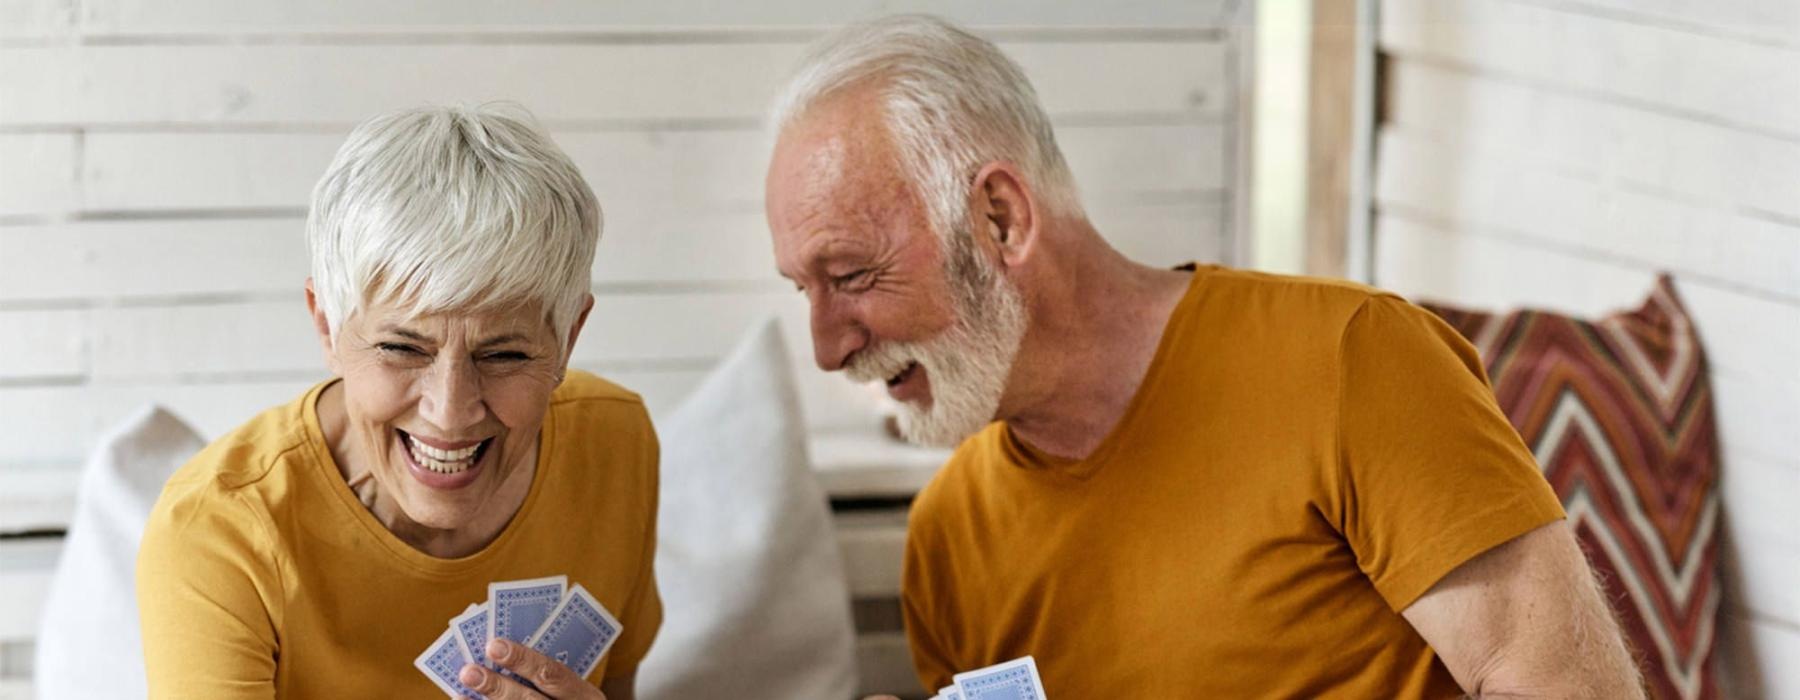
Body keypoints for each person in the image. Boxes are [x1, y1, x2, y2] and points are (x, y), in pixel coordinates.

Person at [763, 15, 1646, 698]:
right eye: (806, 290)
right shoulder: (949, 536)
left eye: (851, 274)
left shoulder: (1354, 360)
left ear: (1000, 218)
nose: (829, 346)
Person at [137, 105, 660, 699]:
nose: (450, 410)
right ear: (327, 327)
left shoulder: (617, 442)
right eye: (402, 348)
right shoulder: (218, 530)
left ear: (567, 338)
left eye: (504, 355)